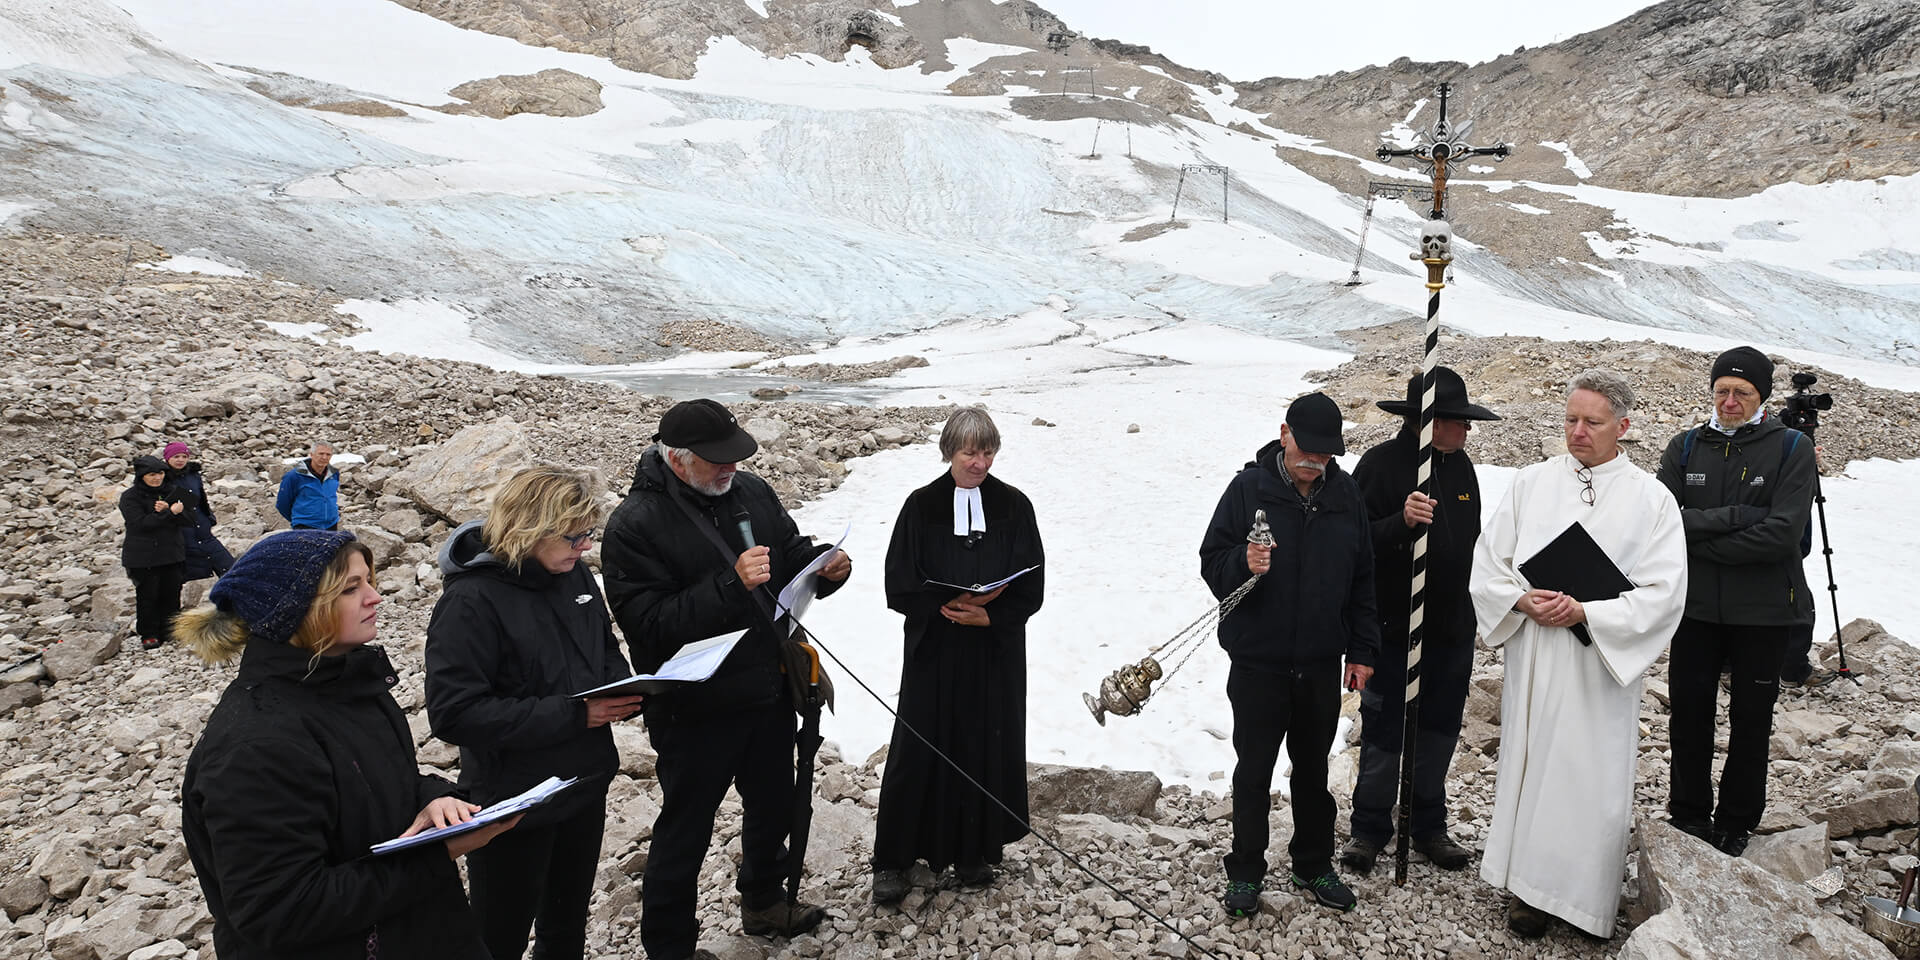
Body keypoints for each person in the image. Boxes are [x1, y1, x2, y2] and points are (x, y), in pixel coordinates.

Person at [178, 530, 517, 960]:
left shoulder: (350, 683)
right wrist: (439, 853)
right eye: (351, 588)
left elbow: (380, 785)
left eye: (369, 581)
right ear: (297, 611)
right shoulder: (257, 745)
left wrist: (433, 798)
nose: (375, 597)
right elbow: (279, 911)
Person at [600, 398, 852, 960]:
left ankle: (763, 900)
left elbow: (786, 555)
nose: (729, 469)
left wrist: (827, 565)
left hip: (764, 687)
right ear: (677, 458)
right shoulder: (633, 525)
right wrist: (728, 586)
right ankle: (670, 948)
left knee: (774, 803)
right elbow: (648, 625)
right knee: (685, 828)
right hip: (694, 706)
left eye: (733, 457)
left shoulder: (751, 491)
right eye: (717, 461)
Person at [1469, 369, 1688, 939]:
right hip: (1538, 654)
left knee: (1588, 777)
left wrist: (1590, 612)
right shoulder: (1530, 484)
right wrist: (1521, 599)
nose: (1579, 432)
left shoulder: (1651, 499)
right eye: (1570, 420)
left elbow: (1665, 594)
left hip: (1597, 667)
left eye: (1592, 422)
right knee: (1532, 765)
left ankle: (1586, 899)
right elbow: (1489, 563)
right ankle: (1529, 891)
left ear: (1624, 425)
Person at [426, 465, 644, 960]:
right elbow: (455, 713)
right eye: (573, 536)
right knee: (497, 936)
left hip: (583, 782)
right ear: (530, 530)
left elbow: (602, 648)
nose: (584, 547)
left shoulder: (573, 573)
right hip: (512, 802)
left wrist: (630, 688)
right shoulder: (470, 602)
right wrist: (577, 715)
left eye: (588, 534)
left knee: (565, 928)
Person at [1199, 392, 1378, 916]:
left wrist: (1362, 651)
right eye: (1307, 448)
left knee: (1312, 769)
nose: (1315, 461)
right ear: (1284, 435)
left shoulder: (1346, 496)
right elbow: (1211, 560)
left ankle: (1313, 864)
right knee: (1253, 770)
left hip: (1321, 661)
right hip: (1258, 661)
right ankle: (1246, 872)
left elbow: (1364, 579)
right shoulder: (1247, 489)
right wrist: (1242, 562)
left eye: (1326, 453)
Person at [871, 407, 1045, 905]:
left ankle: (974, 849)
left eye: (988, 451)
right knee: (919, 747)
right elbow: (899, 581)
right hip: (936, 648)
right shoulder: (921, 505)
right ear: (950, 450)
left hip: (994, 651)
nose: (980, 462)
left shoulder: (1013, 505)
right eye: (970, 451)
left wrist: (991, 616)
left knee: (984, 743)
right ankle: (895, 858)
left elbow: (1031, 580)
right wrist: (946, 605)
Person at [1654, 347, 1816, 857]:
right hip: (1696, 609)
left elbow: (1785, 535)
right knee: (1689, 714)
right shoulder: (1684, 448)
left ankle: (1736, 822)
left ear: (1762, 396)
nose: (1729, 400)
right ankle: (1688, 815)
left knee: (1752, 720)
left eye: (1741, 392)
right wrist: (1740, 516)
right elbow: (1662, 524)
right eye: (1721, 390)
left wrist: (1700, 533)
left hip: (1764, 612)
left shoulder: (1792, 448)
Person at [1340, 367, 1499, 875]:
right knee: (1385, 730)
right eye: (1458, 421)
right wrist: (1400, 524)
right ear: (1428, 420)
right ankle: (1368, 828)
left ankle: (1428, 823)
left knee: (1439, 729)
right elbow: (1352, 546)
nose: (1467, 431)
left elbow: (1473, 544)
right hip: (1393, 629)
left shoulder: (1461, 468)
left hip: (1452, 630)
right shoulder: (1381, 467)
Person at [120, 454, 193, 649]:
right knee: (148, 595)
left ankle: (171, 629)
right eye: (151, 474)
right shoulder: (130, 497)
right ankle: (149, 633)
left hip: (172, 553)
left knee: (172, 592)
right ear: (141, 476)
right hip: (143, 557)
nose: (157, 478)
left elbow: (189, 518)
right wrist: (169, 513)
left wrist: (170, 510)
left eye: (160, 473)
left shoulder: (175, 491)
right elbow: (141, 524)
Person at [163, 441, 234, 580]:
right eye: (176, 456)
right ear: (167, 458)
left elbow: (201, 500)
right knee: (196, 580)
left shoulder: (193, 476)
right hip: (184, 539)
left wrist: (209, 518)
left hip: (204, 532)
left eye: (184, 456)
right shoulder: (162, 479)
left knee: (231, 570)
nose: (180, 460)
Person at [277, 441, 341, 530]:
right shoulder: (294, 476)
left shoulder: (334, 474)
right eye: (321, 454)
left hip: (331, 525)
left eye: (328, 454)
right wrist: (298, 520)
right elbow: (282, 504)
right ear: (312, 454)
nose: (324, 457)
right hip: (305, 526)